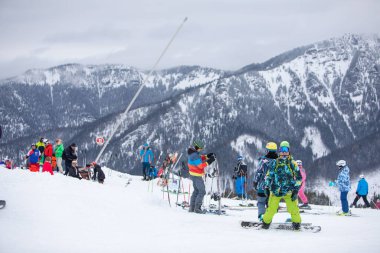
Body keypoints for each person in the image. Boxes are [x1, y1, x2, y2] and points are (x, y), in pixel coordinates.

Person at [262, 141, 303, 230]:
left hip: (289, 191)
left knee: (293, 209)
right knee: (271, 209)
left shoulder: (293, 163)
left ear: (289, 151)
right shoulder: (275, 162)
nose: (284, 152)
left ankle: (296, 224)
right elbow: (269, 176)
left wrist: (296, 190)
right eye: (282, 149)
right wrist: (266, 187)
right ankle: (265, 223)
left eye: (286, 149)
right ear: (279, 151)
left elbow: (299, 178)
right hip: (276, 190)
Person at [188, 140, 215, 214]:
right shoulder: (195, 155)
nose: (201, 149)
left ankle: (192, 208)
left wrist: (207, 156)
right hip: (197, 175)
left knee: (196, 191)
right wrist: (209, 161)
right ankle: (197, 208)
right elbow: (200, 166)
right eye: (201, 148)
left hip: (193, 175)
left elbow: (199, 158)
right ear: (198, 148)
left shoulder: (193, 153)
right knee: (202, 191)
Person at [253, 142, 278, 221]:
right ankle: (268, 217)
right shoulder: (278, 162)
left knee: (261, 202)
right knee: (270, 203)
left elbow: (258, 172)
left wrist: (255, 182)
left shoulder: (263, 161)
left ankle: (262, 216)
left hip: (262, 186)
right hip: (274, 187)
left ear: (267, 150)